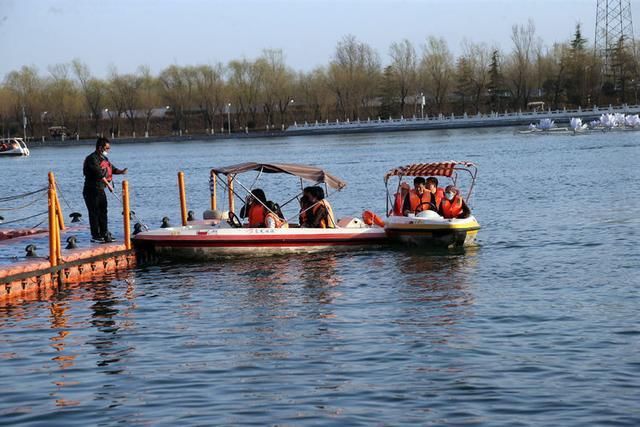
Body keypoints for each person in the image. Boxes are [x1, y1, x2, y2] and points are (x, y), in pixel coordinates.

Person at [83, 137, 127, 242]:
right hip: (91, 190)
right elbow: (98, 173)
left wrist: (121, 171)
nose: (108, 150)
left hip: (101, 190)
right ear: (100, 148)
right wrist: (109, 185)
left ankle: (104, 233)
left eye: (109, 148)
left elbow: (111, 169)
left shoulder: (104, 159)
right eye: (107, 148)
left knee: (103, 211)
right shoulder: (92, 159)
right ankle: (96, 236)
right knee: (94, 212)